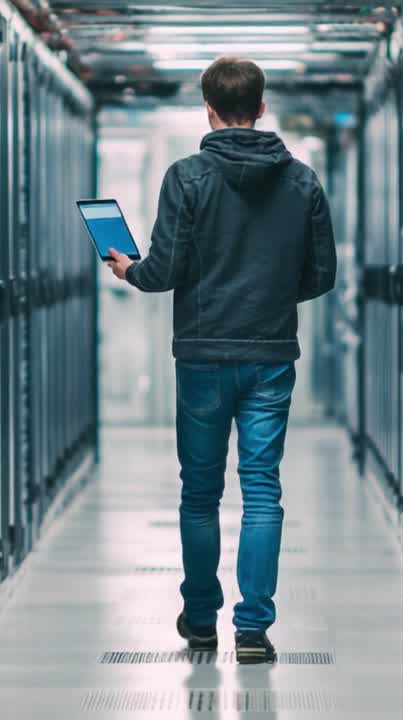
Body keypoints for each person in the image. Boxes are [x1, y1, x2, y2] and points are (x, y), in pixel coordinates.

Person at [105, 56, 336, 664]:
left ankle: (201, 619)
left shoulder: (187, 178)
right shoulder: (304, 182)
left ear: (207, 108)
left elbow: (165, 270)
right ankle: (254, 629)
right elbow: (321, 275)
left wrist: (129, 269)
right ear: (261, 108)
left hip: (203, 357)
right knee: (262, 489)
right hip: (271, 356)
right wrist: (270, 298)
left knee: (200, 491)